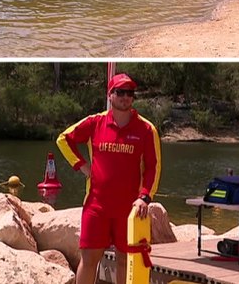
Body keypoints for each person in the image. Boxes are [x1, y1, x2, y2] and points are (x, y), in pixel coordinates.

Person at [56, 73, 161, 284]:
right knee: (89, 258)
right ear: (110, 95)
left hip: (130, 207)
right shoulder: (96, 122)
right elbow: (64, 139)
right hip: (97, 205)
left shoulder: (147, 129)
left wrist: (144, 197)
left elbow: (153, 167)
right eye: (120, 92)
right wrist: (82, 166)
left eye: (130, 93)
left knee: (125, 260)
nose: (125, 97)